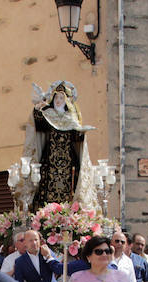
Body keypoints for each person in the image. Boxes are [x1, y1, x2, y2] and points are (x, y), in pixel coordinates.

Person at [27, 81, 93, 209]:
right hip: (50, 160)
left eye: (61, 98)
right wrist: (37, 109)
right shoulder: (48, 114)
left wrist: (82, 133)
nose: (58, 100)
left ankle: (69, 212)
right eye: (56, 97)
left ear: (66, 100)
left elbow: (76, 137)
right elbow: (39, 124)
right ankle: (45, 212)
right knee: (45, 186)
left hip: (69, 162)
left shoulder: (71, 117)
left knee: (71, 186)